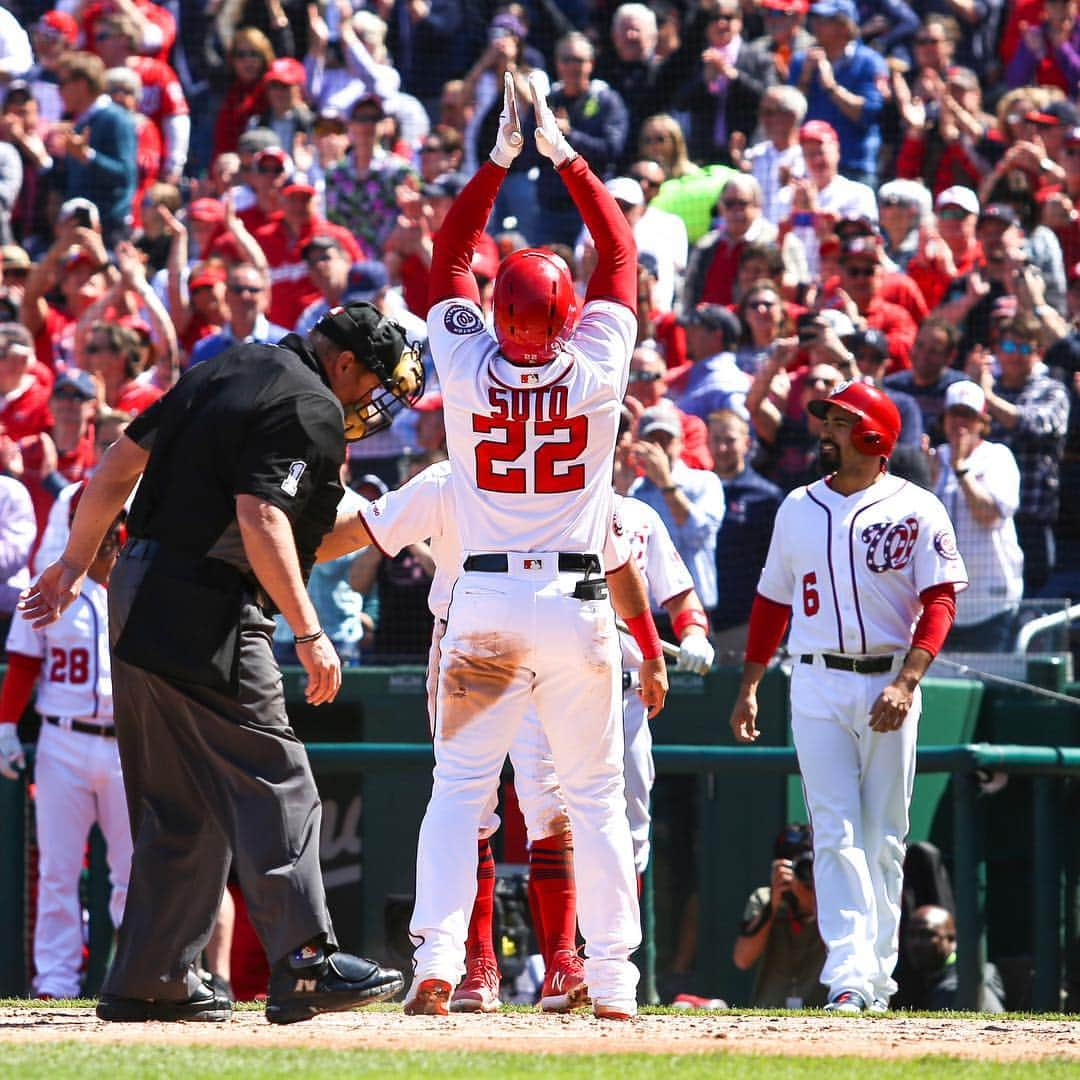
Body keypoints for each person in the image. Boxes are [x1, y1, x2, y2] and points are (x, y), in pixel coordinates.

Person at [19, 300, 424, 1023]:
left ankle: (152, 978)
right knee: (277, 774)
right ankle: (306, 962)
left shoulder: (227, 365)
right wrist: (309, 630)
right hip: (208, 603)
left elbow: (116, 467)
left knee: (181, 801)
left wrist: (76, 561)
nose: (371, 403)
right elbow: (261, 518)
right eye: (371, 383)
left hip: (137, 589)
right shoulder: (311, 404)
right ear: (345, 364)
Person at [403, 72, 663, 1021]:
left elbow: (449, 254)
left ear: (498, 313)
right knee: (593, 797)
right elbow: (621, 251)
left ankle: (437, 964)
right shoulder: (595, 362)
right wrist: (565, 152)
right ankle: (613, 982)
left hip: (481, 600)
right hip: (578, 600)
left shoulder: (468, 365)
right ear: (561, 315)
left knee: (456, 793)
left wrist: (500, 157)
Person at [730, 380, 967, 1013]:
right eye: (827, 420)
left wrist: (907, 680)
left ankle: (878, 975)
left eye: (838, 421)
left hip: (888, 677)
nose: (825, 431)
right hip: (813, 679)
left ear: (873, 434)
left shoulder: (916, 507)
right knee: (833, 832)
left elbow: (940, 600)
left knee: (883, 836)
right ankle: (849, 976)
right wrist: (750, 684)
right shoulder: (797, 506)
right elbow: (771, 602)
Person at [0, 510, 131, 1000]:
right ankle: (55, 982)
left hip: (125, 744)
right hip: (62, 740)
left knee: (133, 871)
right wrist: (7, 726)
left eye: (108, 524)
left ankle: (135, 975)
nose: (99, 535)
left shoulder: (138, 586)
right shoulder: (48, 585)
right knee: (56, 870)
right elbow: (24, 661)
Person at [965, 314, 1070, 594]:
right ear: (998, 350)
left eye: (1024, 349)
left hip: (1031, 516)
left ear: (1038, 353)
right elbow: (959, 430)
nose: (1014, 357)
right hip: (986, 514)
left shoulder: (1052, 390)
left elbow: (1035, 424)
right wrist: (972, 388)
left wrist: (987, 398)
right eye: (1009, 348)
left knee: (1035, 599)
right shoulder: (986, 388)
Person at [931, 381, 1024, 651]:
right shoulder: (935, 458)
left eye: (968, 416)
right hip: (944, 603)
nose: (960, 423)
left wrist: (960, 469)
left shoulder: (998, 457)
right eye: (954, 414)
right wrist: (927, 479)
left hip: (990, 602)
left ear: (982, 422)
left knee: (989, 689)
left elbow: (989, 516)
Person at [628, 405, 726, 613]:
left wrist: (665, 482)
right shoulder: (634, 490)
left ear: (680, 442)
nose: (660, 448)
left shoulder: (705, 482)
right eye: (653, 440)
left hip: (696, 611)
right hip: (653, 614)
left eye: (666, 439)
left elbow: (699, 534)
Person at [708, 408, 784, 660]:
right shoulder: (695, 489)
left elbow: (779, 562)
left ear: (747, 442)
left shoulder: (765, 495)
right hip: (700, 620)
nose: (722, 448)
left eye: (729, 440)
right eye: (716, 440)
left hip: (744, 620)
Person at [733, 824, 828, 1008]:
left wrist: (813, 901)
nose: (806, 873)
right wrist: (773, 906)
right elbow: (742, 959)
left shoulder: (834, 903)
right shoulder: (765, 899)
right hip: (770, 1011)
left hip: (822, 1013)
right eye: (800, 866)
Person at [893, 905, 1006, 1012]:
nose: (915, 943)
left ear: (952, 939)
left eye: (926, 934)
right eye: (911, 934)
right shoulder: (922, 978)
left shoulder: (954, 990)